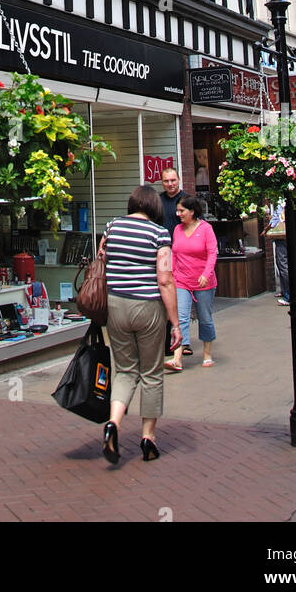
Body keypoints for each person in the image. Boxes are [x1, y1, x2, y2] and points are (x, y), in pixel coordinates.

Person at [101, 184, 182, 464]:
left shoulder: (112, 227)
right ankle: (148, 437)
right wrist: (176, 322)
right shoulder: (159, 233)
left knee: (124, 370)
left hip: (115, 305)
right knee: (151, 372)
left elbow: (103, 259)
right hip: (147, 308)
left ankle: (114, 423)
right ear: (154, 207)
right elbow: (165, 278)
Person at [169, 194, 218, 370]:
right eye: (177, 210)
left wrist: (206, 273)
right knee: (181, 317)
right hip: (182, 280)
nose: (178, 214)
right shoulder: (177, 230)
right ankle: (177, 358)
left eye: (182, 211)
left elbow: (212, 253)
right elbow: (174, 254)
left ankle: (207, 353)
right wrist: (172, 274)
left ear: (192, 211)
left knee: (204, 318)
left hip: (204, 282)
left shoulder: (206, 229)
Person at [158, 168, 186, 356]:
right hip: (163, 254)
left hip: (182, 254)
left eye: (173, 180)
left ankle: (183, 341)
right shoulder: (158, 201)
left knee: (180, 298)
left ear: (179, 180)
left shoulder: (186, 200)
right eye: (166, 181)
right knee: (166, 296)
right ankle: (167, 343)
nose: (170, 184)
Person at [265, 201, 289, 305]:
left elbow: (275, 220)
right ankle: (285, 291)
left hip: (282, 238)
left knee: (283, 265)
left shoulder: (281, 204)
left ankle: (288, 295)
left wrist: (266, 229)